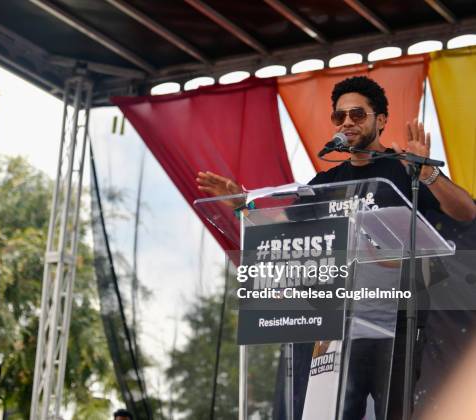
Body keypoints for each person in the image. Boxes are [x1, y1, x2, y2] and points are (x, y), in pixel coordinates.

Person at [196, 76, 476, 419]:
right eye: (339, 117)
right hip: (338, 328)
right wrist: (243, 205)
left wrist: (426, 173)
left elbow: (465, 212)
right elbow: (286, 228)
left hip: (397, 324)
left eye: (357, 114)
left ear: (381, 120)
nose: (347, 123)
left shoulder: (403, 170)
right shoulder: (326, 182)